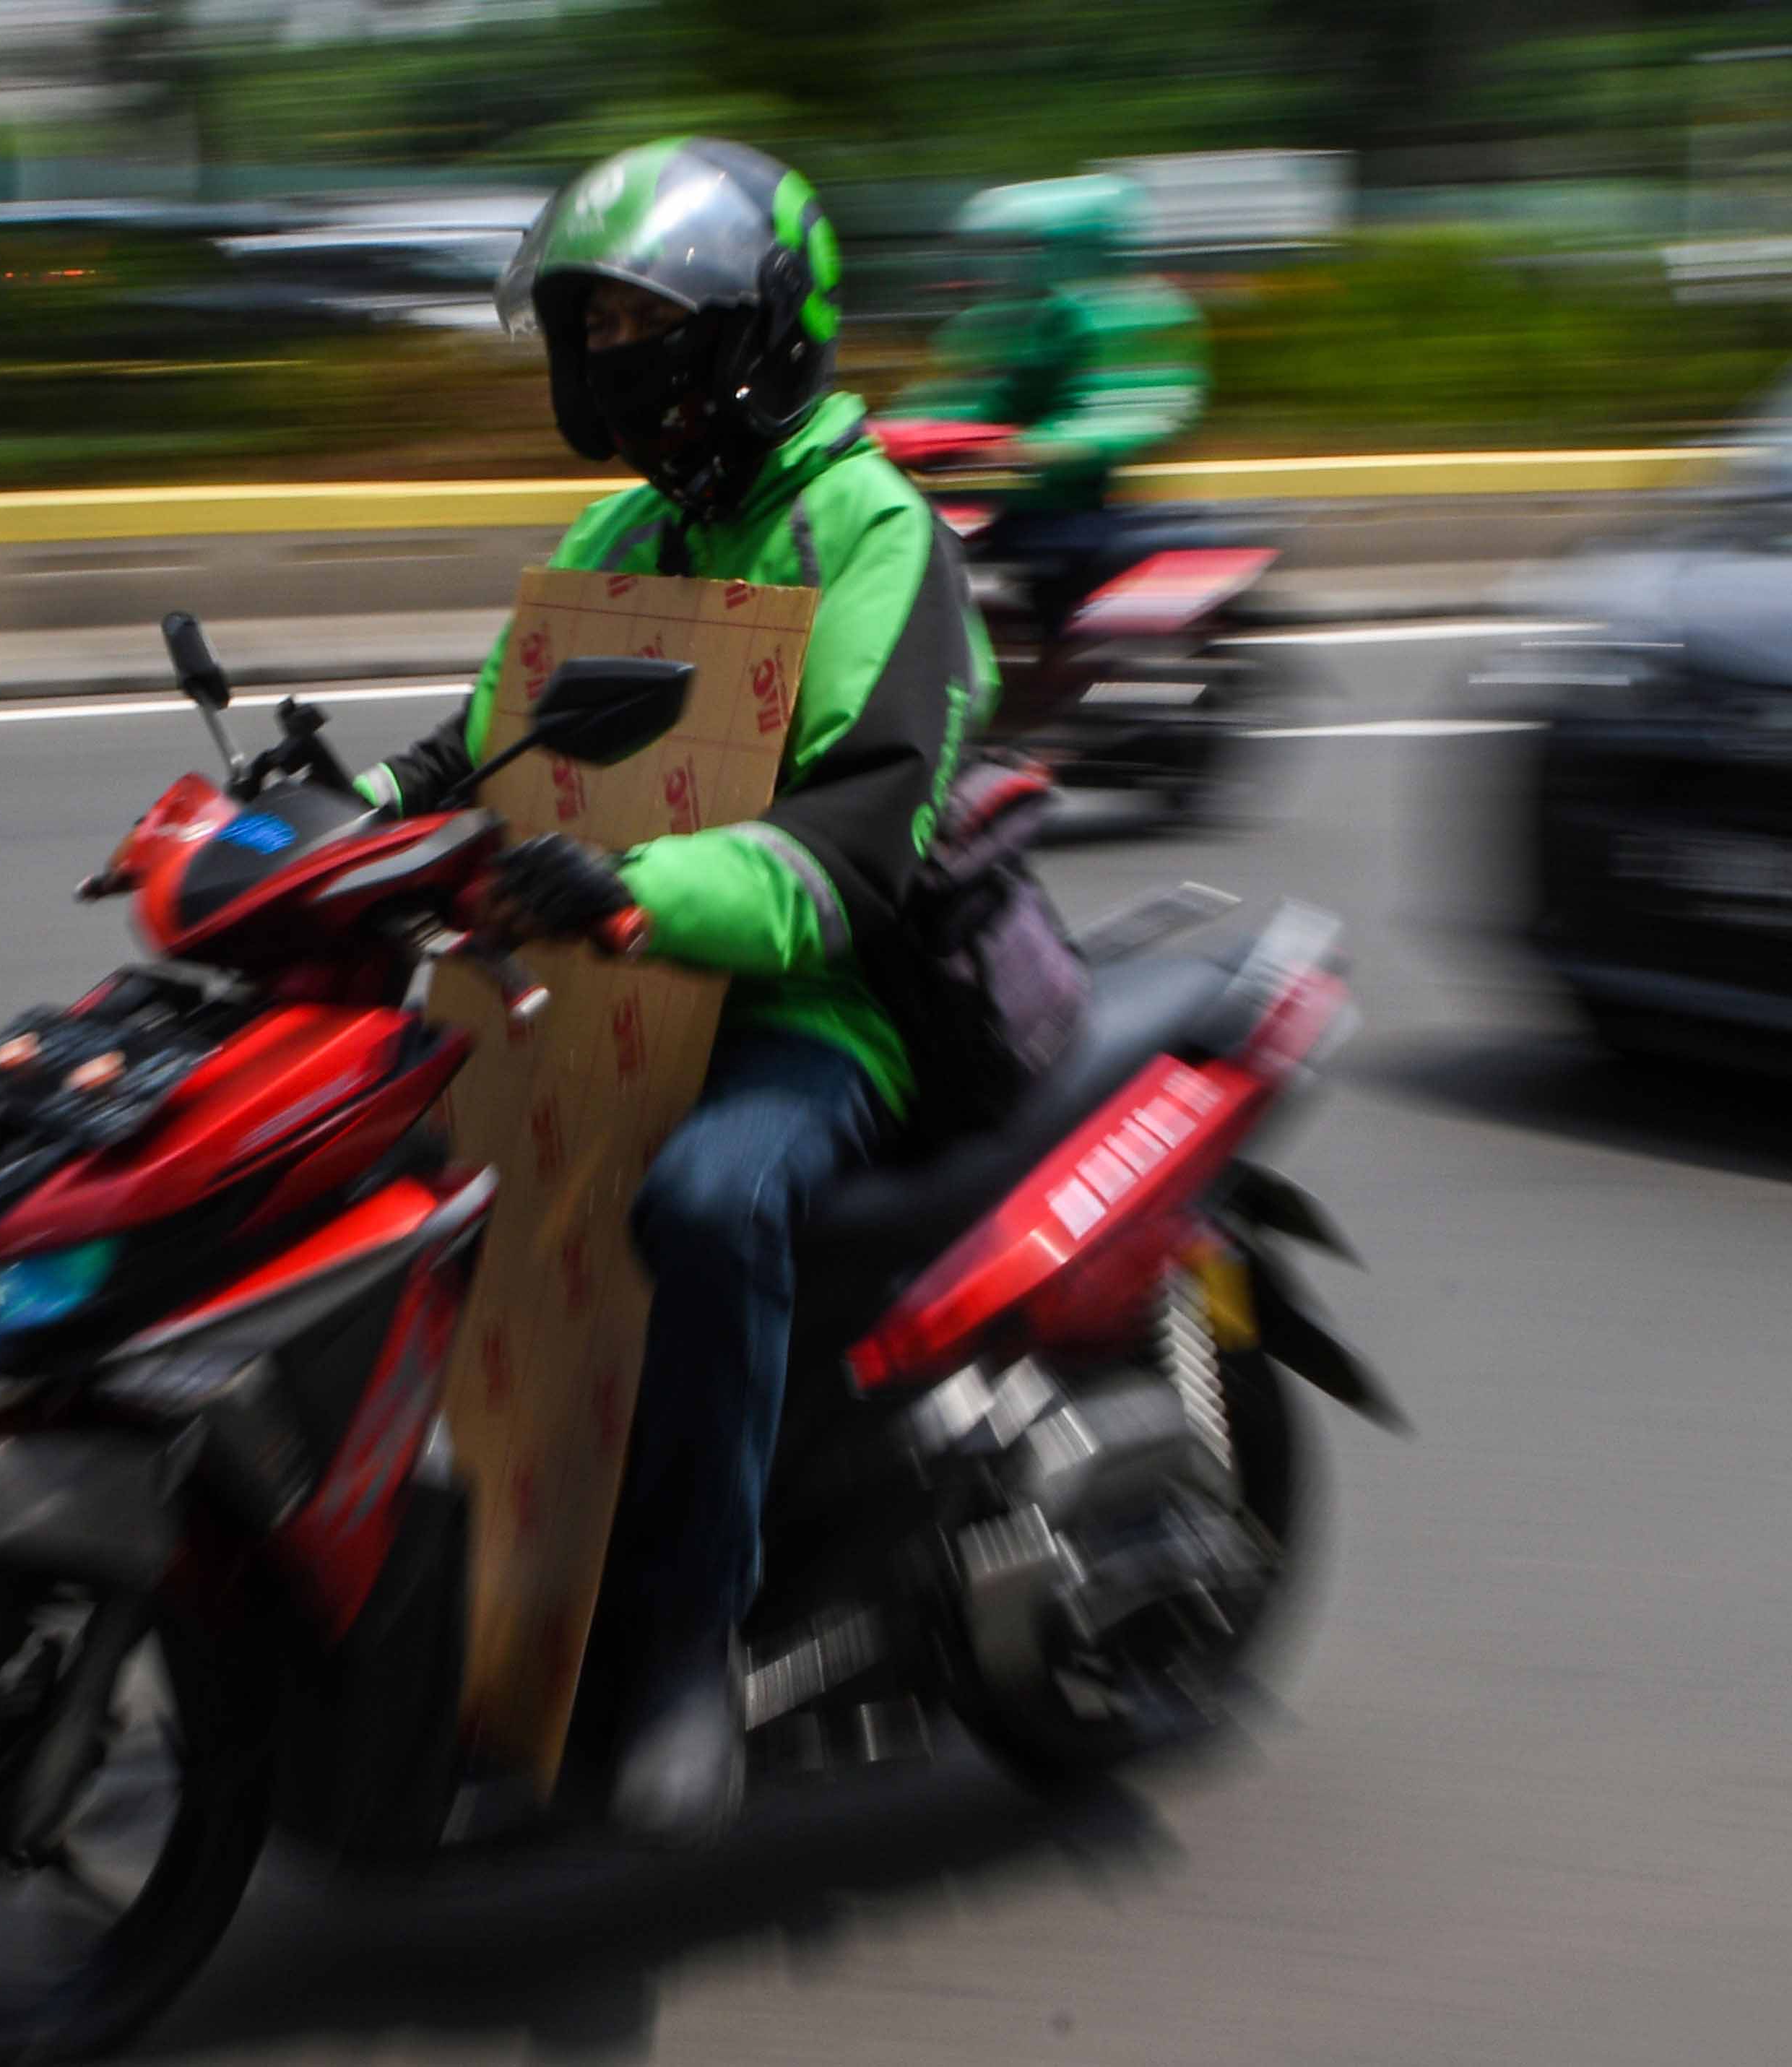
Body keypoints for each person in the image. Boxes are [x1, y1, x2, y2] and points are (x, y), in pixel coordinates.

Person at [352, 136, 995, 1844]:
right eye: (596, 323)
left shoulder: (867, 531)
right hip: (595, 985)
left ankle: (692, 1644)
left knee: (706, 1202)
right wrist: (335, 817)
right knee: (381, 1152)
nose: (615, 352)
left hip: (811, 1007)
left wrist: (639, 893)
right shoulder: (624, 529)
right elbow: (481, 746)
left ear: (757, 327)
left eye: (647, 318)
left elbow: (861, 834)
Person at [887, 174, 1207, 701]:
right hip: (1014, 504)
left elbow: (1121, 416)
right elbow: (975, 399)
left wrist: (1025, 449)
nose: (1003, 269)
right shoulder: (1023, 318)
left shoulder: (1133, 315)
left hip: (1076, 512)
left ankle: (1040, 695)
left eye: (1022, 251)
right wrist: (899, 433)